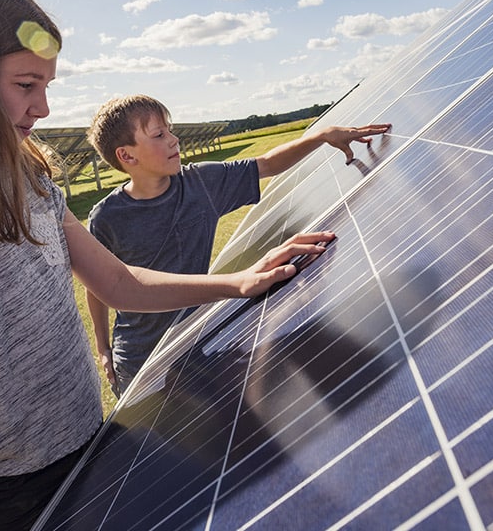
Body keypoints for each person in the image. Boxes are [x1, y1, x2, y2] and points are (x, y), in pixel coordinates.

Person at [0, 0, 332, 531]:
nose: (42, 107)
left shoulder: (30, 179)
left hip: (89, 448)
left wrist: (237, 283)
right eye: (25, 85)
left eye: (47, 86)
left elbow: (117, 283)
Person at [85, 94, 389, 396]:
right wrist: (102, 346)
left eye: (171, 130)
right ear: (127, 156)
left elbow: (268, 163)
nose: (174, 140)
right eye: (159, 134)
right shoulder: (107, 217)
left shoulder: (202, 184)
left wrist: (321, 137)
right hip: (140, 366)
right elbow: (97, 284)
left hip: (195, 346)